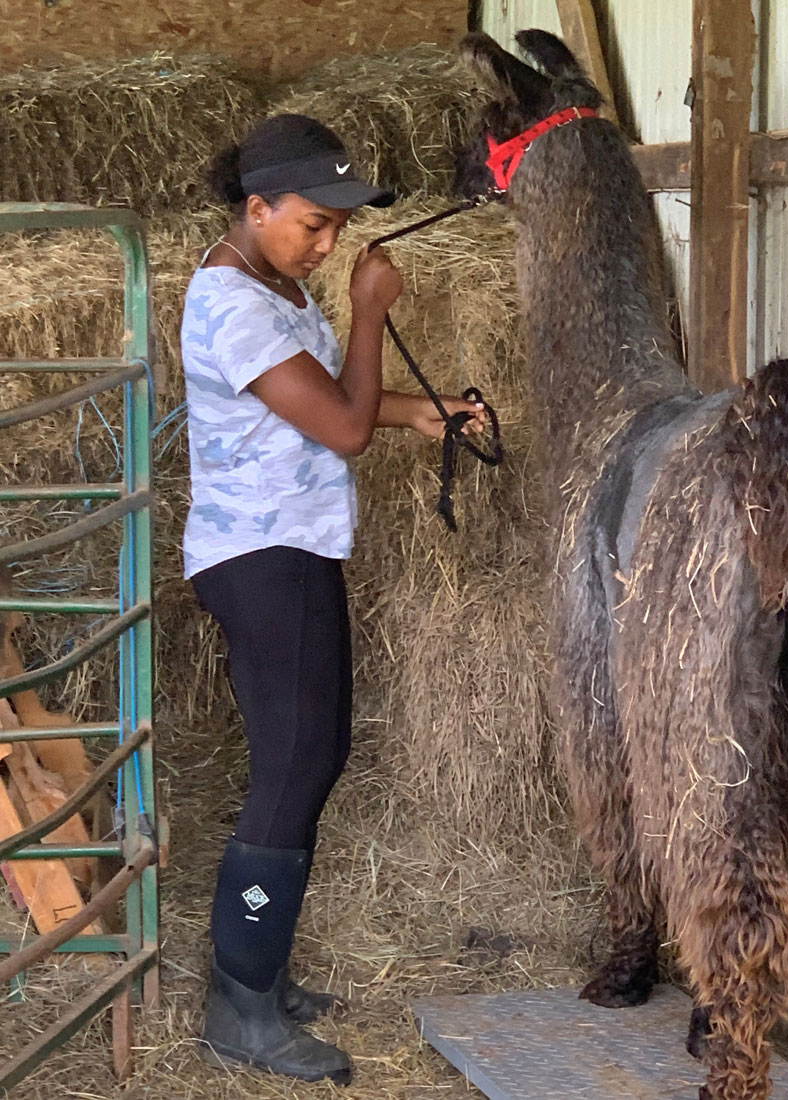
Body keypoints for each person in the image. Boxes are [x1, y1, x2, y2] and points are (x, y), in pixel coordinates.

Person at [180, 113, 483, 1086]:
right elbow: (343, 429)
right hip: (260, 553)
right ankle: (242, 1005)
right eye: (314, 224)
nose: (328, 244)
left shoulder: (273, 287)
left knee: (312, 752)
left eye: (339, 228)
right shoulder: (232, 302)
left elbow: (324, 406)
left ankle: (261, 975)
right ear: (257, 206)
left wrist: (420, 410)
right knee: (295, 762)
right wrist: (369, 312)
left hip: (291, 545)